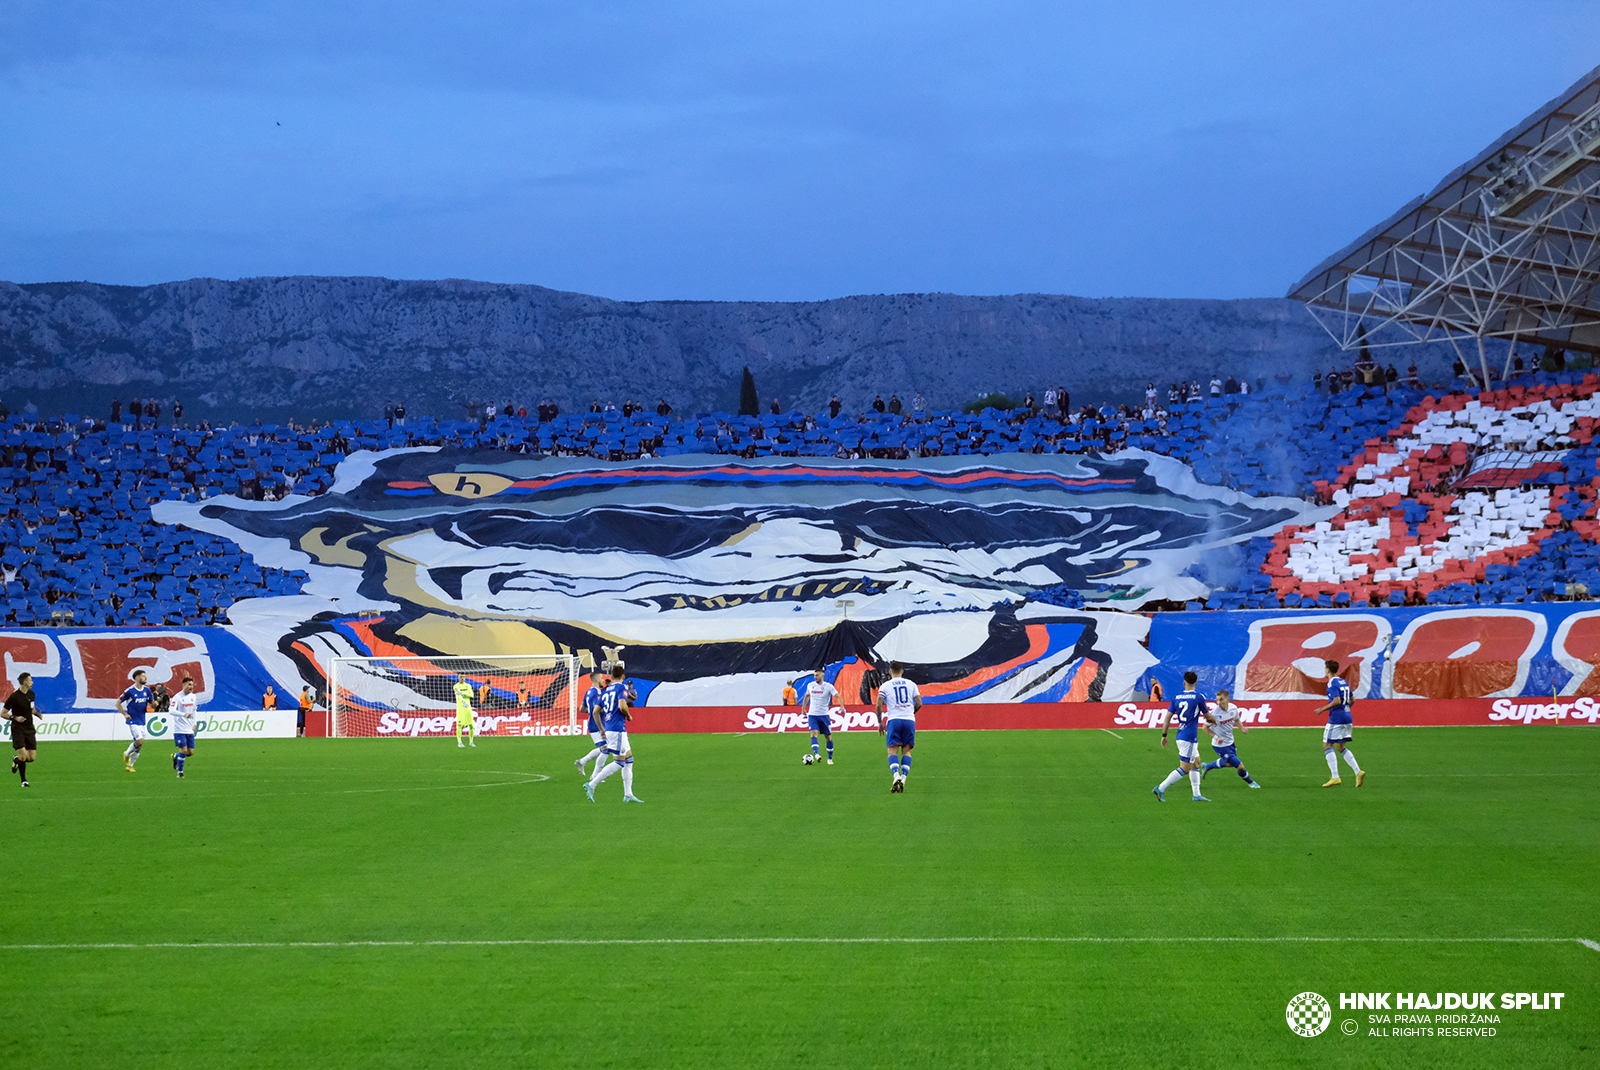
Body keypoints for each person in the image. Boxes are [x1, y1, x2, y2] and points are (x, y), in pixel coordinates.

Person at [1152, 670, 1214, 802]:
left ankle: (1196, 795)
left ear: (1184, 682)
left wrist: (1164, 735)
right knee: (1185, 768)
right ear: (1196, 683)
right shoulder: (1199, 697)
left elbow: (1168, 717)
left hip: (1181, 734)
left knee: (1197, 763)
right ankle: (1161, 788)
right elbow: (1207, 715)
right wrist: (1214, 721)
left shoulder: (1176, 697)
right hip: (1190, 737)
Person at [585, 664, 641, 802]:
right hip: (617, 729)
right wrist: (628, 715)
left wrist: (602, 729)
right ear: (623, 677)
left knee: (629, 760)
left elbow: (595, 711)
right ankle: (592, 784)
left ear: (611, 676)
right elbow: (623, 706)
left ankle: (628, 794)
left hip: (612, 728)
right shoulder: (622, 687)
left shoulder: (605, 690)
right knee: (619, 763)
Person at [1311, 659, 1364, 787]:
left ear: (1328, 669)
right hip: (1347, 717)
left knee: (1327, 745)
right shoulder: (1343, 681)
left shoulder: (1331, 683)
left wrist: (1322, 709)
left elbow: (1336, 700)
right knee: (1340, 747)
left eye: (1325, 668)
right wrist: (1345, 710)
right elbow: (1352, 700)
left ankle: (1335, 777)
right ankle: (1358, 771)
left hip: (1336, 719)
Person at [875, 661, 921, 793]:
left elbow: (879, 705)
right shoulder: (911, 684)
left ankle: (896, 776)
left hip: (894, 720)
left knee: (892, 751)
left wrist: (880, 722)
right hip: (909, 720)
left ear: (890, 671)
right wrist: (909, 713)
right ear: (902, 671)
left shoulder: (885, 686)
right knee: (906, 751)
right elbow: (919, 703)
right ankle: (904, 778)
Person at [1199, 689, 1259, 789]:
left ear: (1228, 699)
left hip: (1230, 742)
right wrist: (1216, 737)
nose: (1219, 702)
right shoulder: (1214, 713)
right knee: (1240, 766)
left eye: (1221, 699)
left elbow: (1236, 719)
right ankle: (1251, 782)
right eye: (1217, 700)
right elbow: (1204, 727)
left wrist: (1242, 727)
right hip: (1220, 745)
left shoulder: (1233, 708)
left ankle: (1208, 766)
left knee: (1229, 763)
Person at [7, 672, 42, 787]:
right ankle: (24, 781)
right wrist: (15, 718)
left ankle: (17, 760)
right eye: (31, 680)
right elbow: (3, 713)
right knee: (24, 756)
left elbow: (31, 708)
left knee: (31, 758)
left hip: (29, 728)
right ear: (25, 682)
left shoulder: (32, 694)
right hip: (18, 729)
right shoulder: (14, 697)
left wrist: (37, 713)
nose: (32, 682)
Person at [117, 669, 154, 771]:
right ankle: (127, 753)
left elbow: (151, 703)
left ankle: (130, 765)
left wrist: (154, 704)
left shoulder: (147, 690)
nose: (145, 678)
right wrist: (125, 714)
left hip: (142, 721)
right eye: (143, 676)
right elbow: (118, 703)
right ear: (137, 677)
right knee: (139, 742)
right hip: (133, 720)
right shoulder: (129, 691)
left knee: (139, 746)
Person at [574, 670, 609, 775]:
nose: (603, 680)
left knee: (606, 747)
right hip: (597, 724)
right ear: (597, 679)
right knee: (606, 749)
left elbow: (582, 709)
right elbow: (596, 710)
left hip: (593, 723)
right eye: (602, 678)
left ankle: (582, 762)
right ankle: (595, 775)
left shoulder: (589, 692)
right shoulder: (597, 692)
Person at [804, 668, 840, 766]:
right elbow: (807, 696)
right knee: (813, 734)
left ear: (822, 675)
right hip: (812, 715)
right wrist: (803, 708)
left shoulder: (828, 686)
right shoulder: (810, 685)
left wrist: (842, 706)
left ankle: (830, 758)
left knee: (828, 737)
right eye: (814, 675)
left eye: (817, 675)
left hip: (824, 715)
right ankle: (816, 754)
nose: (815, 677)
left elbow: (837, 696)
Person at [170, 676, 199, 778]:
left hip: (189, 728)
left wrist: (195, 723)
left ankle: (175, 756)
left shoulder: (193, 697)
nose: (191, 687)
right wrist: (183, 714)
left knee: (190, 753)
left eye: (192, 685)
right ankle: (180, 773)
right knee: (184, 751)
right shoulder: (177, 697)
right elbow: (171, 710)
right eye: (189, 684)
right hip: (179, 729)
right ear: (184, 684)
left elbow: (194, 710)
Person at [452, 677, 477, 748]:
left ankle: (471, 742)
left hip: (468, 707)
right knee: (460, 725)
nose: (462, 678)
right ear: (458, 677)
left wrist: (463, 693)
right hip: (461, 708)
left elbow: (471, 695)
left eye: (463, 677)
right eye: (460, 677)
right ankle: (459, 742)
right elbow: (458, 695)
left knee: (471, 725)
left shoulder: (468, 685)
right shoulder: (456, 686)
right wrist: (463, 701)